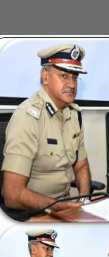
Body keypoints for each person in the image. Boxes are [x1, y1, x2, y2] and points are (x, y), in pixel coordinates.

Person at [1, 44, 91, 218]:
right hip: (30, 213)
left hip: (62, 207)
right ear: (45, 77)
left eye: (75, 78)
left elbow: (81, 166)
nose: (72, 84)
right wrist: (57, 206)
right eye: (64, 76)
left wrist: (84, 201)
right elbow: (12, 195)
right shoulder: (28, 117)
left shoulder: (74, 115)